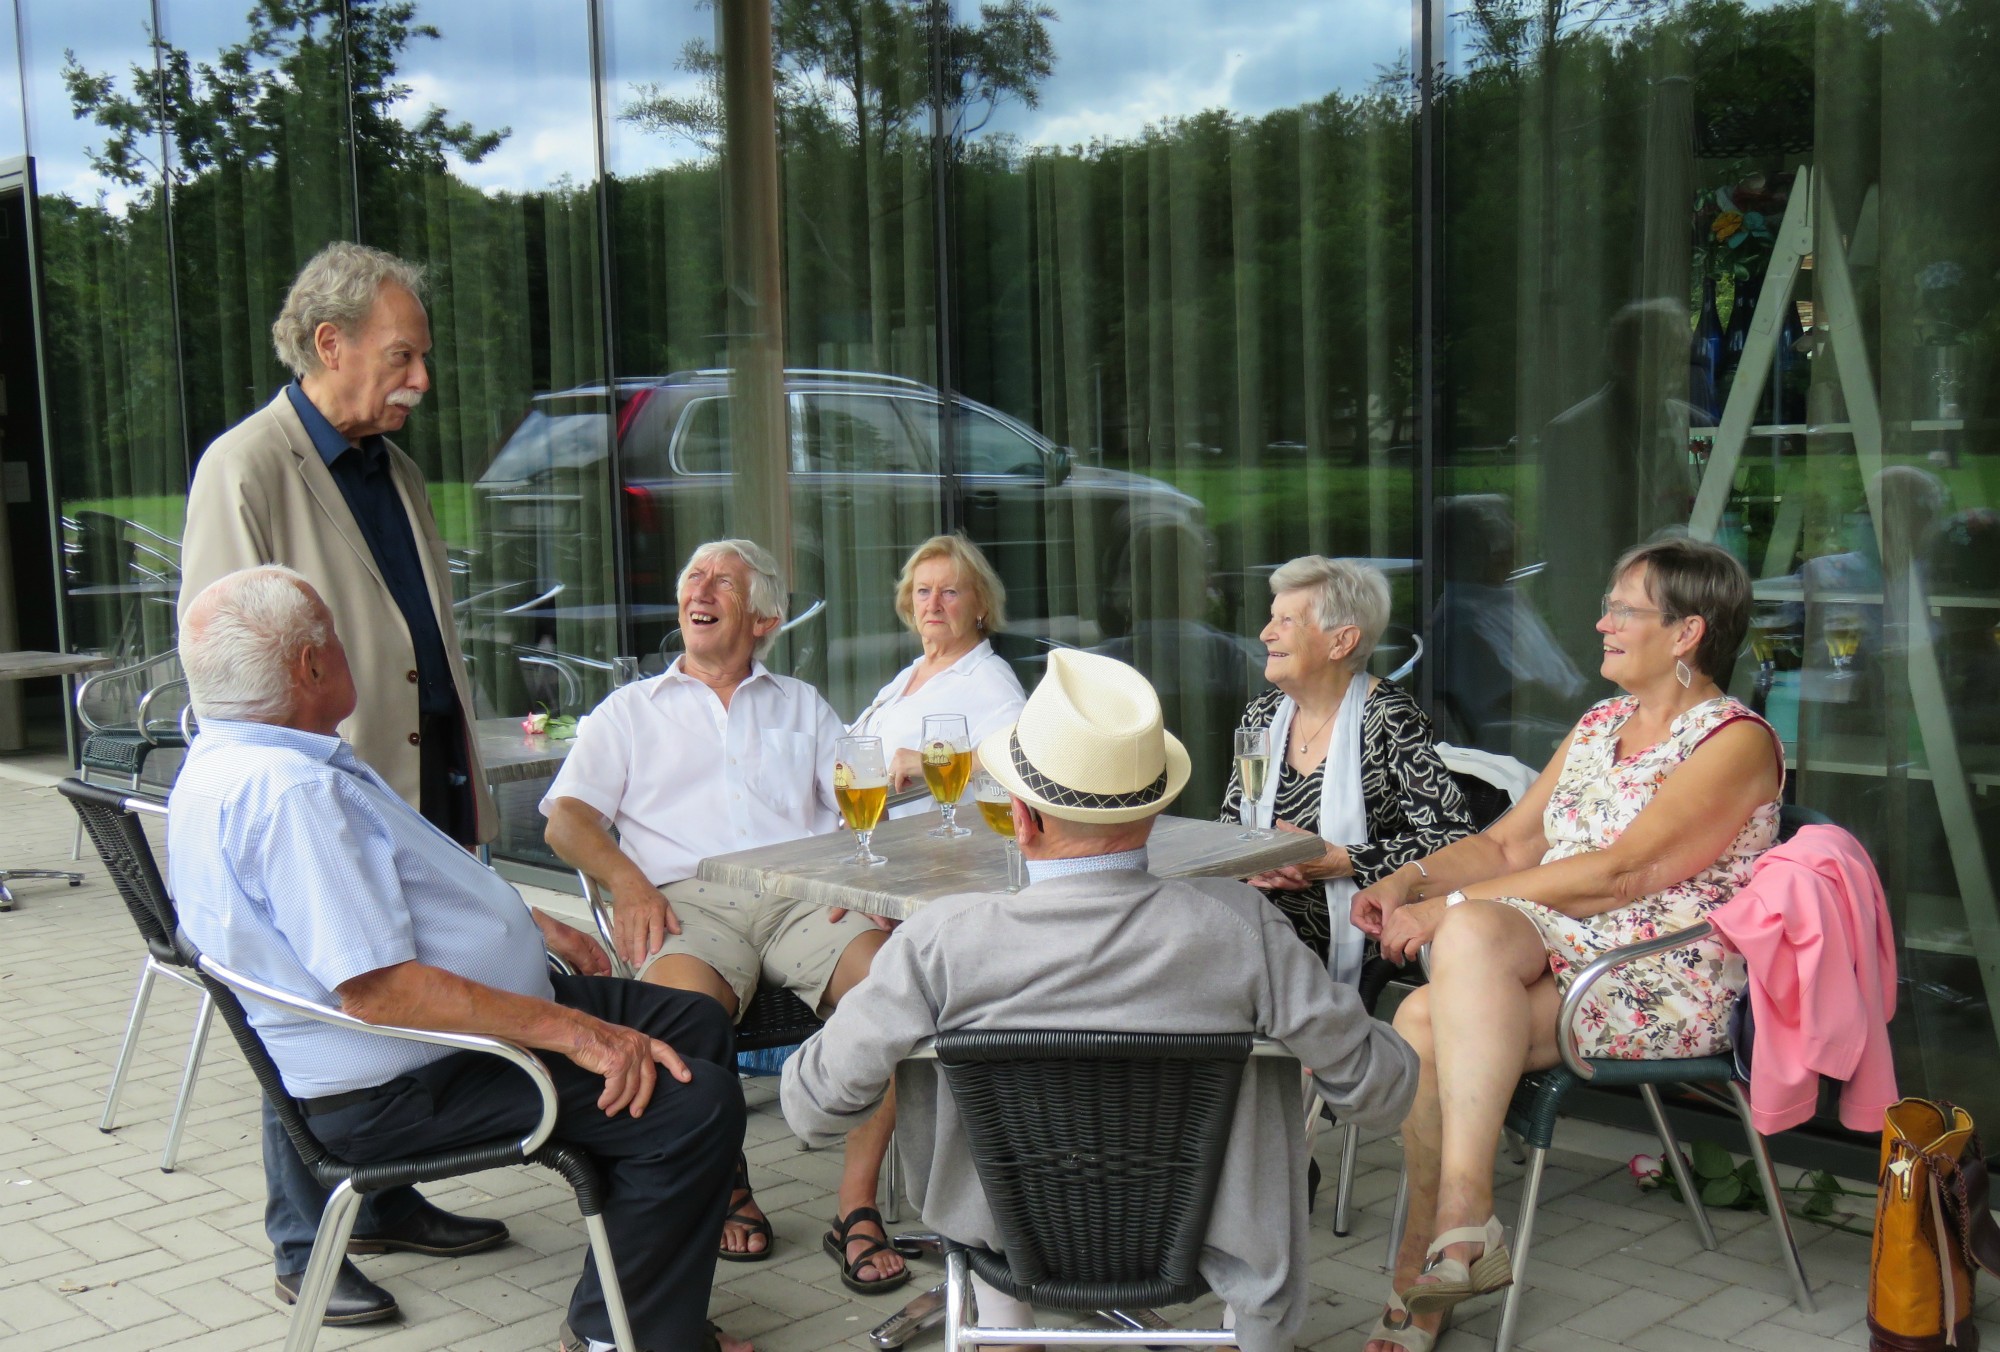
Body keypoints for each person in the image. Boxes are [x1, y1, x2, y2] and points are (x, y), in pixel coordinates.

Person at [167, 568, 749, 1352]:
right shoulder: (289, 793)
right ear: (309, 668)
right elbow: (380, 992)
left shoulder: (226, 760)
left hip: (425, 1047)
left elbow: (382, 909)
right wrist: (577, 1035)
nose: (349, 648)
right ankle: (623, 1333)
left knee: (690, 1020)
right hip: (405, 1081)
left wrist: (525, 920)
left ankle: (639, 1266)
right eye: (334, 635)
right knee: (694, 1104)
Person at [780, 649, 1421, 1352]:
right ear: (1156, 810)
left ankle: (1004, 1332)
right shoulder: (1242, 929)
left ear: (1019, 819)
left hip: (1006, 1240)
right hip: (1207, 1236)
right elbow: (1379, 1092)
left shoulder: (943, 943)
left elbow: (814, 1106)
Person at [176, 242, 555, 1323]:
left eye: (421, 357)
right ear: (328, 342)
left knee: (398, 977)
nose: (420, 379)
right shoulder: (244, 467)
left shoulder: (393, 468)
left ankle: (386, 1196)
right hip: (322, 785)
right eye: (403, 355)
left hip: (417, 772)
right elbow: (221, 651)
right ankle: (305, 1238)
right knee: (313, 986)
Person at [1350, 538, 1781, 1352]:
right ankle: (1458, 1235)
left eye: (1624, 608)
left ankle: (1440, 1244)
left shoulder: (1734, 741)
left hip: (1662, 973)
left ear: (1687, 632)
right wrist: (1408, 881)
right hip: (1570, 951)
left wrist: (1450, 905)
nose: (1601, 622)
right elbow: (1512, 847)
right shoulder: (1601, 723)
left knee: (1435, 996)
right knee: (1430, 1000)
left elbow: (1619, 875)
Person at [541, 539, 909, 1291]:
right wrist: (629, 884)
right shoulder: (629, 711)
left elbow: (856, 805)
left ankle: (856, 1208)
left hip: (799, 893)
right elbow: (566, 822)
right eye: (693, 578)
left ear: (764, 617)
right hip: (681, 900)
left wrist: (858, 868)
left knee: (897, 987)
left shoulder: (799, 703)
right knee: (680, 1016)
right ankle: (728, 1181)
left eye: (724, 581)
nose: (700, 589)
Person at [1220, 556, 1473, 983]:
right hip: (1261, 921)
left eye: (1287, 621)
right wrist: (1252, 861)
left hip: (1361, 931)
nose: (1266, 634)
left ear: (1342, 642)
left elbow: (1453, 840)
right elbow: (1230, 824)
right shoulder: (1262, 714)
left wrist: (1342, 860)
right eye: (1271, 618)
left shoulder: (1390, 717)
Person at [847, 535, 1024, 818]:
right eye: (923, 591)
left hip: (931, 852)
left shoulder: (990, 681)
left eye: (950, 592)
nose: (933, 604)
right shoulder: (909, 674)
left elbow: (1021, 759)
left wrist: (933, 762)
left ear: (981, 606)